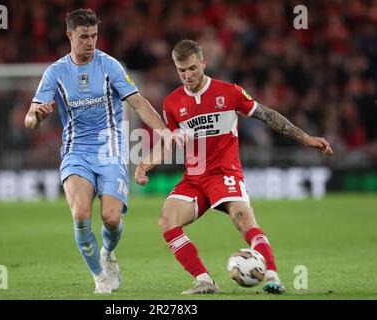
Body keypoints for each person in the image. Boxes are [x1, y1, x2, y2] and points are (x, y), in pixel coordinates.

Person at [135, 39, 334, 294]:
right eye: (181, 70)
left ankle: (272, 275)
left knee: (243, 220)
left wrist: (305, 138)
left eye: (192, 68)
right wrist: (145, 164)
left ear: (204, 63)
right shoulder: (172, 103)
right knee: (167, 220)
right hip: (194, 178)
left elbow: (268, 116)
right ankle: (205, 281)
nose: (187, 75)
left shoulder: (229, 92)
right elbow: (168, 142)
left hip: (224, 174)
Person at [25, 9, 173, 294]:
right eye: (84, 37)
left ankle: (107, 253)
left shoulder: (110, 66)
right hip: (76, 152)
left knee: (111, 218)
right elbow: (29, 118)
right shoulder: (55, 72)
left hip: (110, 151)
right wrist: (38, 116)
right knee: (80, 214)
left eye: (94, 35)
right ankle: (99, 277)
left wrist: (164, 130)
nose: (90, 42)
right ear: (70, 35)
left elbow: (139, 102)